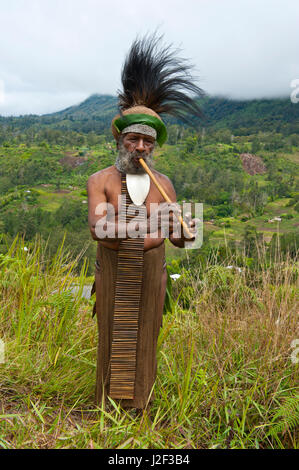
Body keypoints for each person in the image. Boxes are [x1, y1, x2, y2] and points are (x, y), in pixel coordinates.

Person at [87, 34, 203, 410]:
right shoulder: (100, 181)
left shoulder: (164, 184)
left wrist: (189, 231)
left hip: (152, 275)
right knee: (113, 336)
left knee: (145, 337)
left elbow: (179, 241)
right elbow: (99, 230)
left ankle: (140, 405)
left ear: (154, 147)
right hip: (115, 271)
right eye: (134, 139)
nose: (140, 148)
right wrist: (152, 223)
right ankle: (107, 406)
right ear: (120, 140)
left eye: (147, 143)